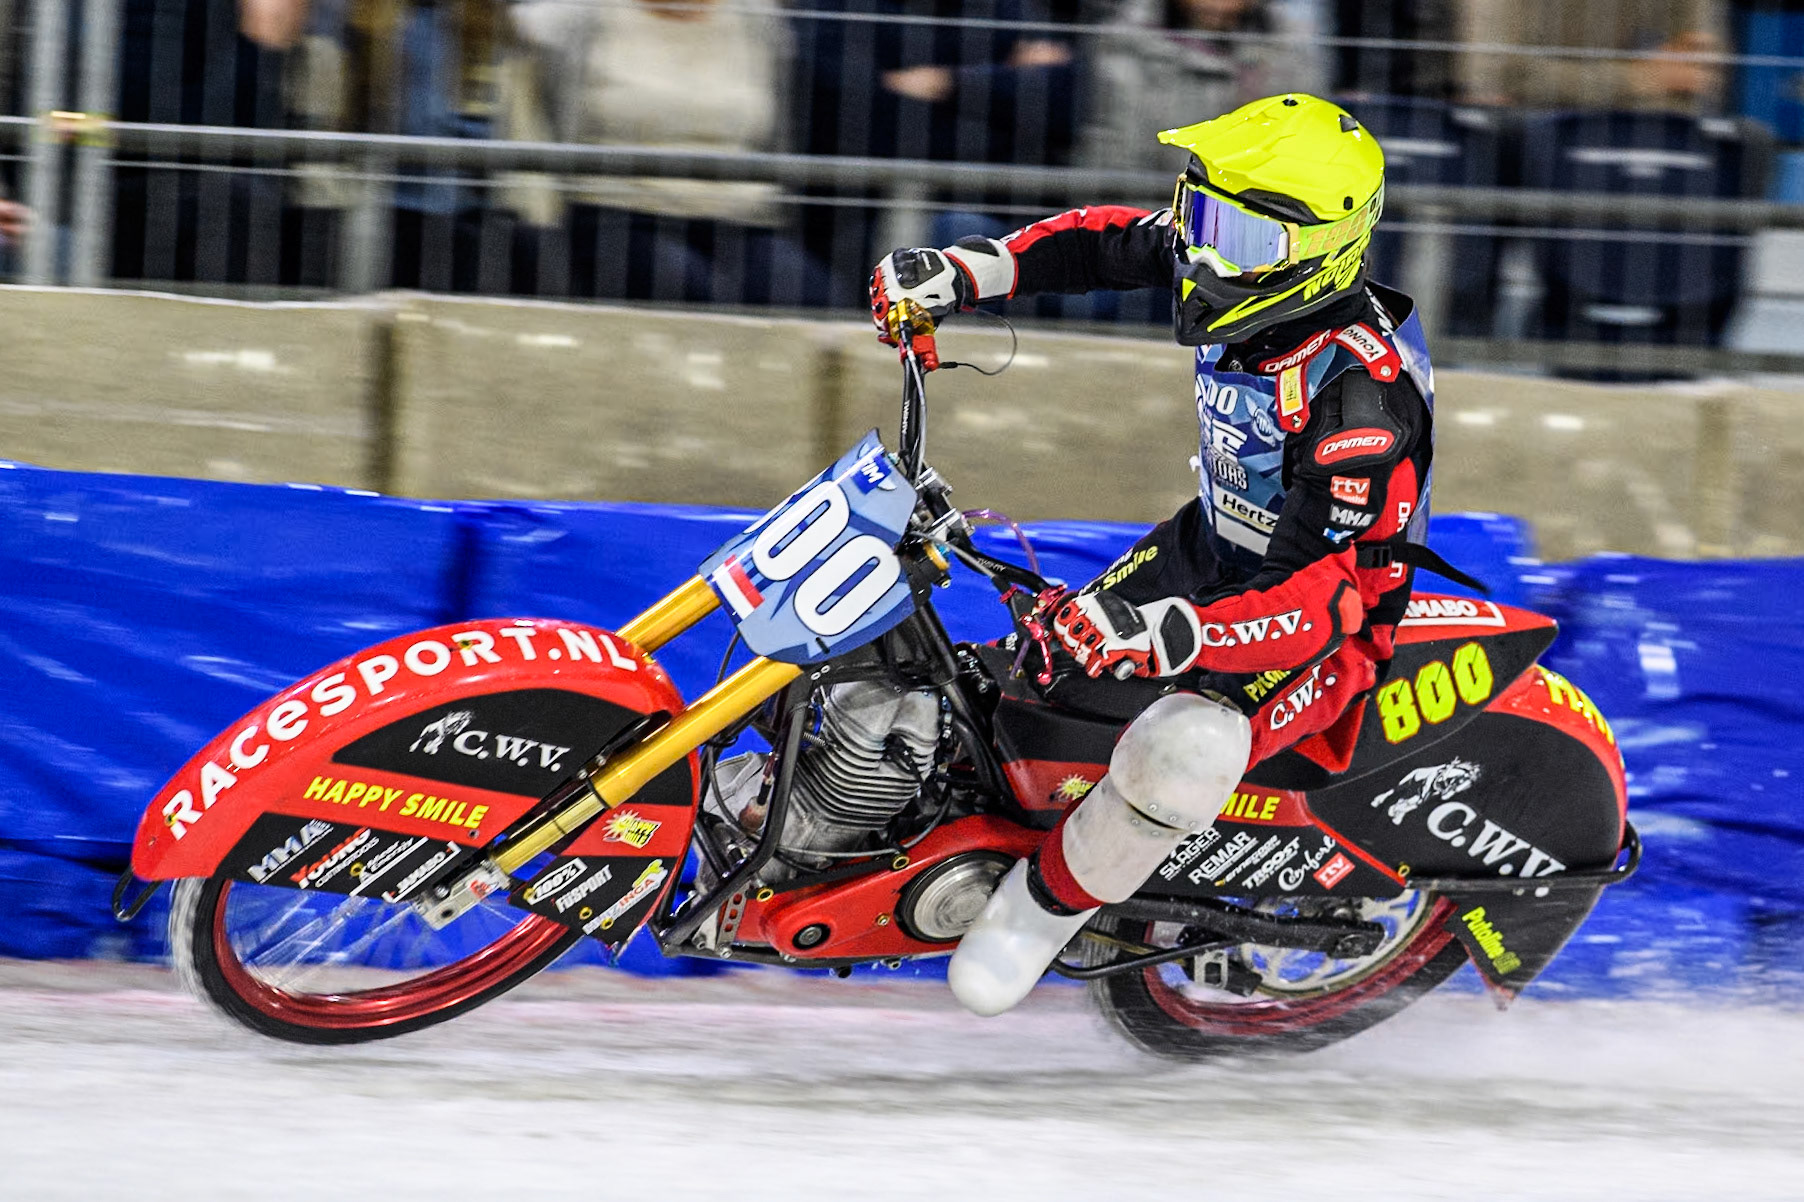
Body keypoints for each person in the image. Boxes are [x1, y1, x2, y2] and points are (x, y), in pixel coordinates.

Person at [869, 93, 1445, 1016]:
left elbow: (1324, 597)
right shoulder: (1224, 246)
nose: (1207, 256)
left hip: (1316, 633)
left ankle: (1033, 916)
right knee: (1038, 674)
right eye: (1204, 216)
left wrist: (1164, 634)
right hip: (1212, 545)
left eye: (1242, 242)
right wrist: (968, 272)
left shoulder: (1358, 405)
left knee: (1186, 745)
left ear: (1323, 249)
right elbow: (1105, 240)